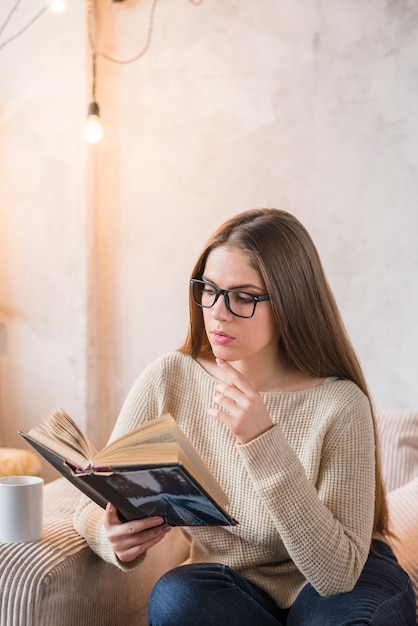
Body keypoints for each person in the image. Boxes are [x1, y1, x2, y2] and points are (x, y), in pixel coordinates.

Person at [74, 208, 416, 625]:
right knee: (175, 599)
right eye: (209, 289)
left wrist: (263, 440)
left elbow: (336, 575)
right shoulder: (171, 377)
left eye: (243, 297)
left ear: (291, 301)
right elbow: (97, 492)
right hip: (233, 584)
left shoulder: (341, 404)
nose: (218, 311)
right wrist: (109, 536)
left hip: (343, 582)